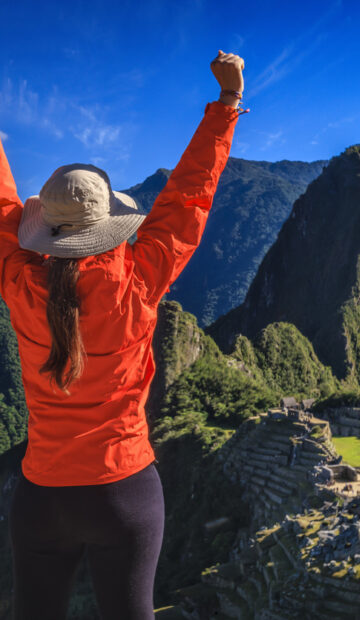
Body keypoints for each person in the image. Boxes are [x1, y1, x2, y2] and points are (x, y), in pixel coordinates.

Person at [1, 50, 245, 620]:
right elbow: (188, 199)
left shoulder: (19, 283)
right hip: (125, 493)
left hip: (42, 494)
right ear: (109, 223)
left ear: (46, 233)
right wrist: (226, 106)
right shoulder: (140, 279)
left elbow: (4, 208)